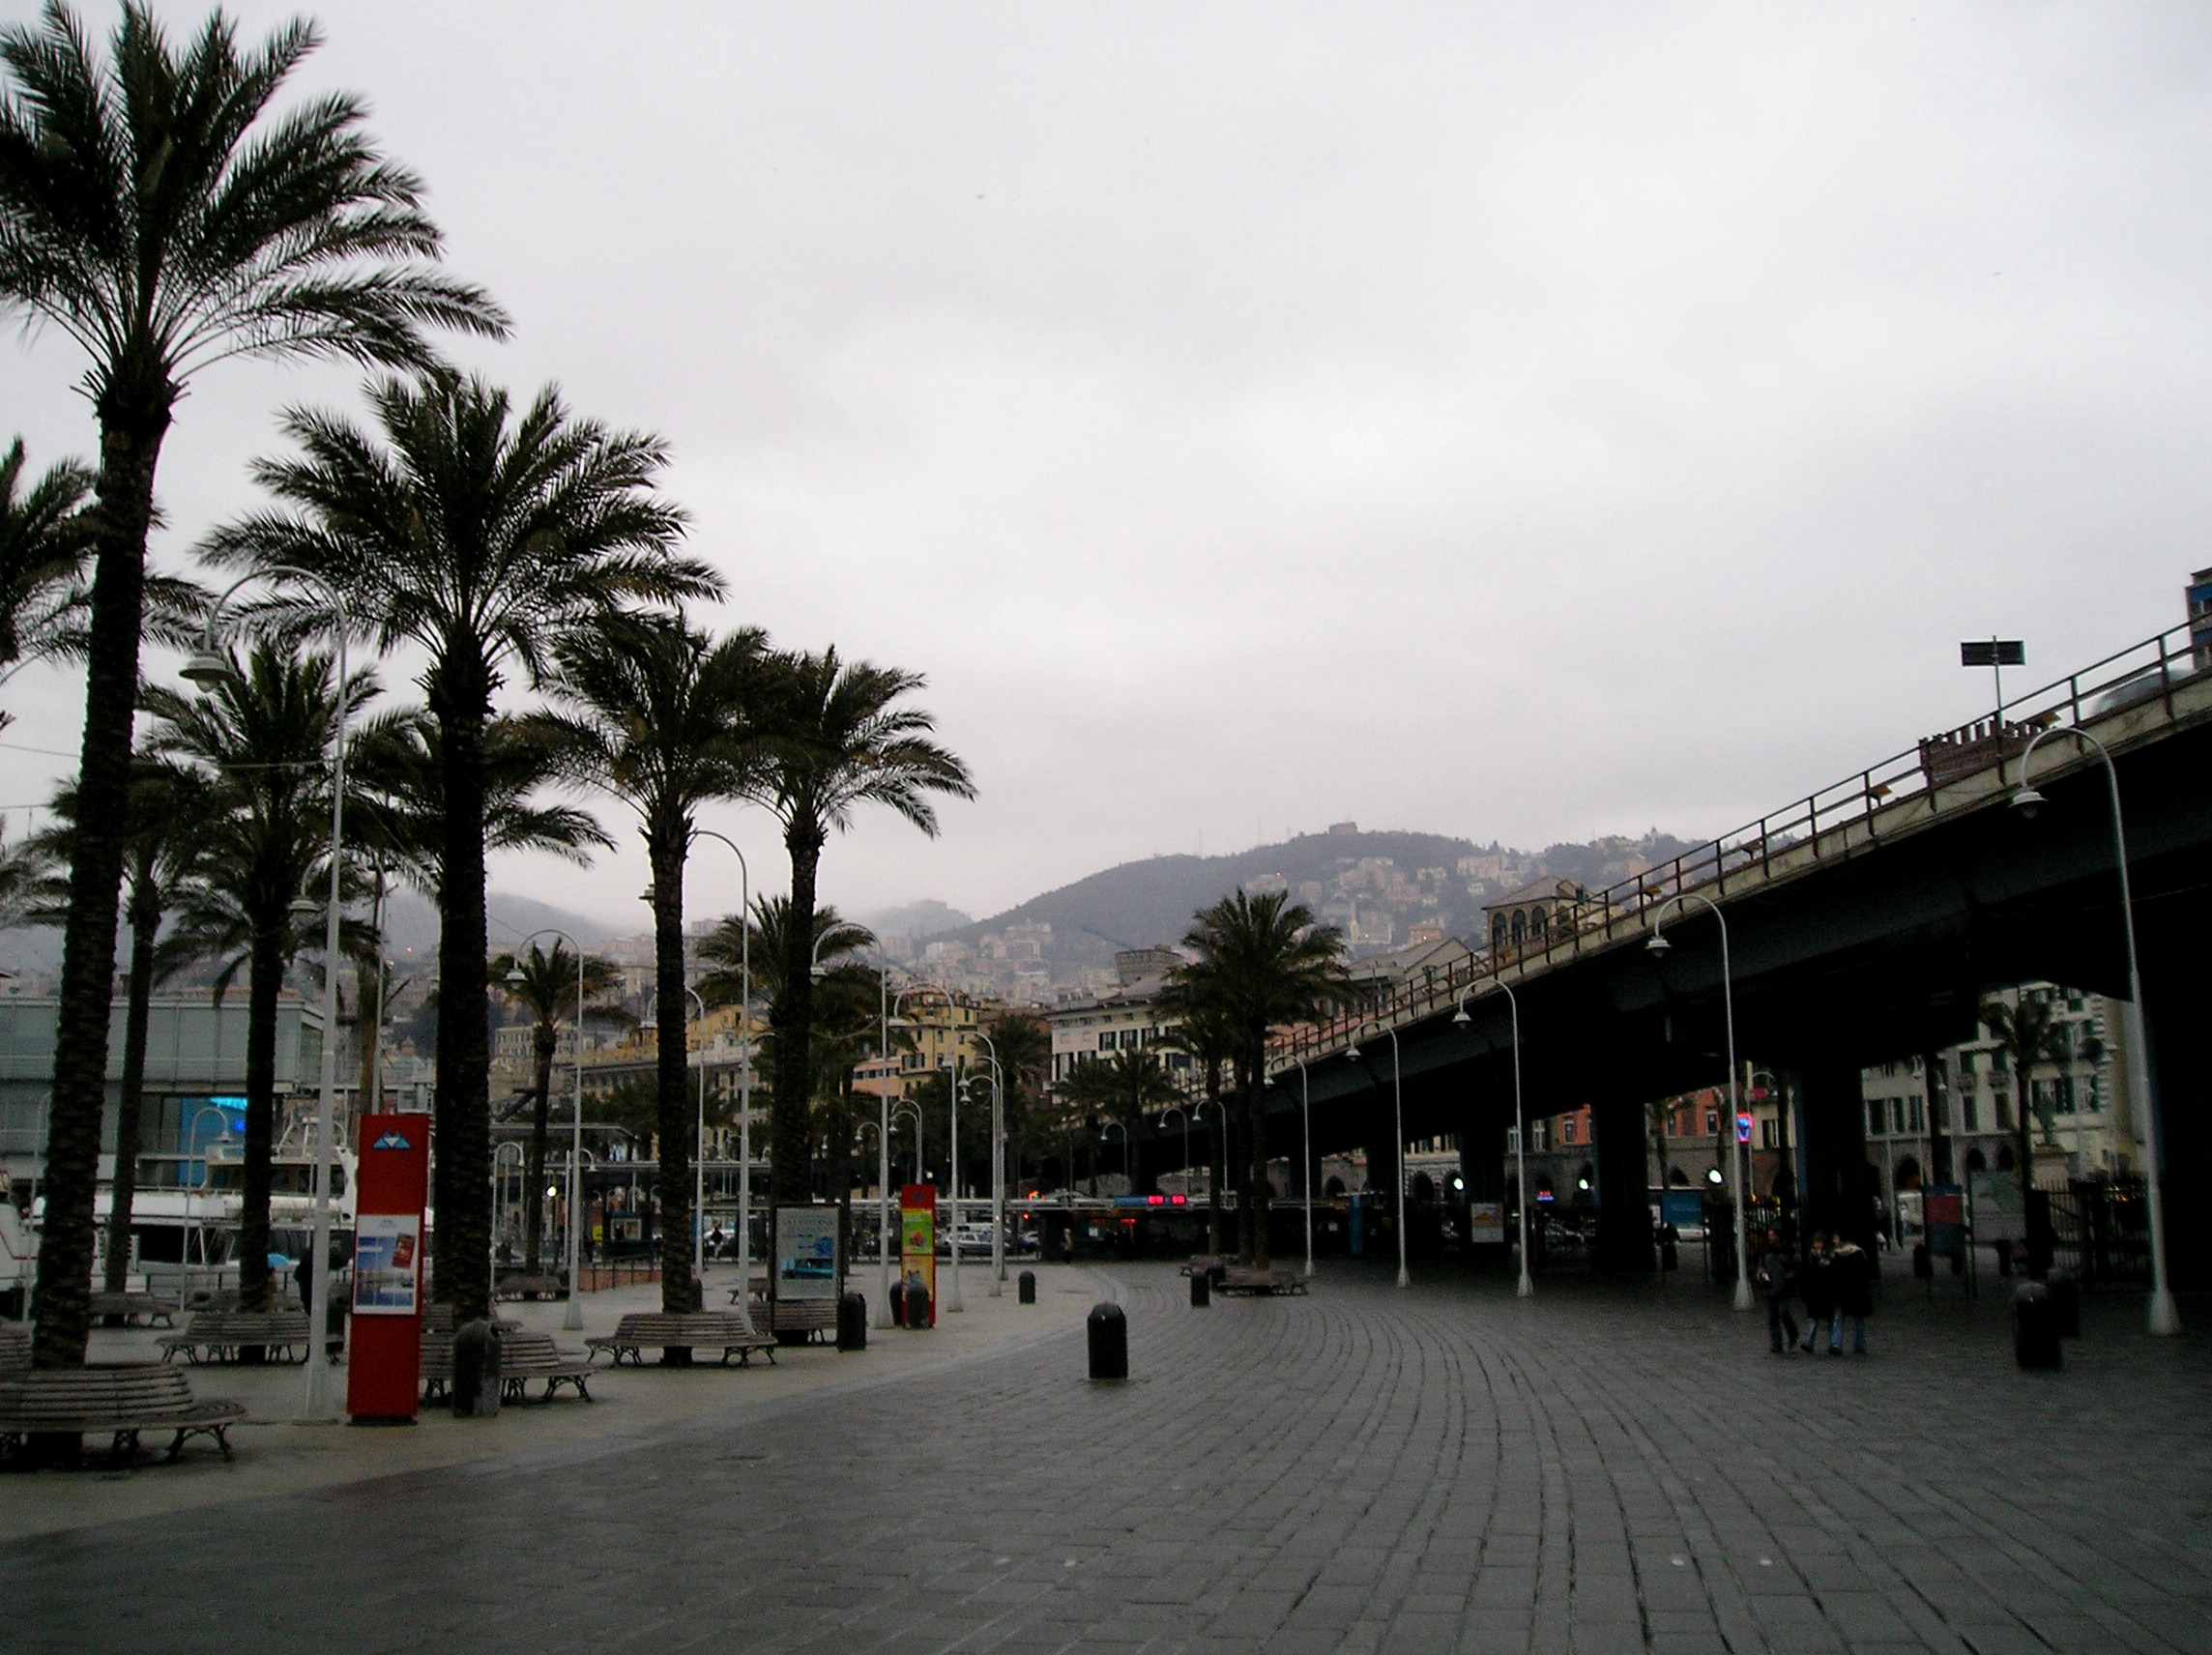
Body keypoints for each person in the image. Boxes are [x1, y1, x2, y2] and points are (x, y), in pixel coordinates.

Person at [1829, 1234, 1874, 1354]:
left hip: (1842, 1291)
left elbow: (1833, 1274)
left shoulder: (1837, 1255)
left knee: (1839, 1318)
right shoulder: (1859, 1254)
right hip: (1857, 1291)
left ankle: (1836, 1343)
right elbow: (1865, 1273)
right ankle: (1860, 1345)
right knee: (1858, 1320)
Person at [1758, 1229, 1799, 1353]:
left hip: (1785, 1287)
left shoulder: (1789, 1250)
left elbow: (1796, 1267)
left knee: (1783, 1312)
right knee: (1773, 1317)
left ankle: (1792, 1332)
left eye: (1773, 1235)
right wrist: (1762, 1274)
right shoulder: (1766, 1250)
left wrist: (1788, 1277)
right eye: (1769, 1235)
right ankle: (1776, 1344)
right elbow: (1761, 1265)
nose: (1771, 1238)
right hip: (1770, 1286)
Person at [1797, 1233, 1835, 1353]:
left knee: (1828, 1319)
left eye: (1820, 1242)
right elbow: (1805, 1273)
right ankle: (1809, 1342)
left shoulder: (1828, 1257)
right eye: (1816, 1242)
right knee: (1813, 1318)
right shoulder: (1810, 1256)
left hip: (1826, 1291)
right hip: (1814, 1291)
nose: (1818, 1244)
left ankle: (1832, 1343)